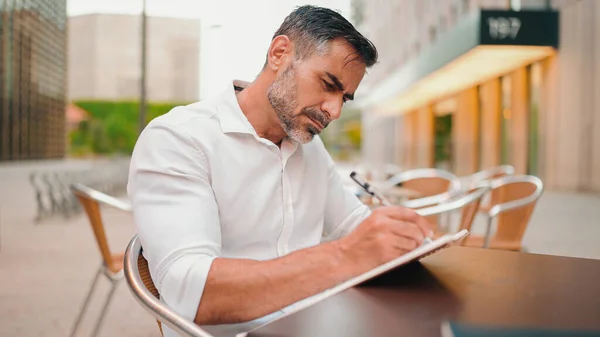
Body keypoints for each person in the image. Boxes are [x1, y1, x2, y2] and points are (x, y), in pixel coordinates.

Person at [127, 5, 432, 336]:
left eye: (345, 98)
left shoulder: (309, 147)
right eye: (328, 83)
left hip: (322, 324)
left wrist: (400, 235)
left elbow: (353, 224)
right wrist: (344, 257)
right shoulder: (180, 139)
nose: (334, 110)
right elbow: (192, 293)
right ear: (280, 53)